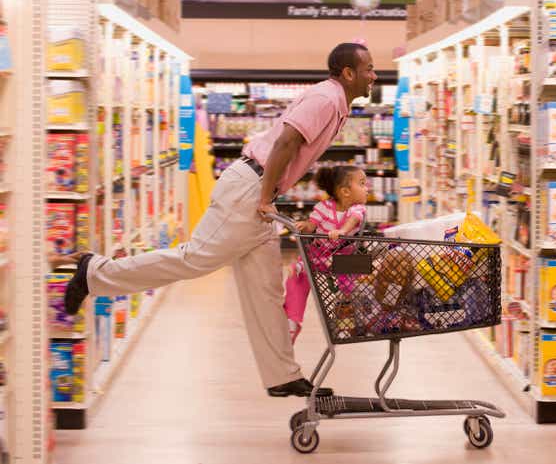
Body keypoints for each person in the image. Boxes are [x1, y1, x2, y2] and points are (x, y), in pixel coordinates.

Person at [63, 43, 377, 398]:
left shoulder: (337, 104)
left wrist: (269, 196)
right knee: (194, 258)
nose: (374, 75)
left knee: (266, 288)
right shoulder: (326, 98)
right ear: (348, 73)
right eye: (368, 68)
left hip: (260, 192)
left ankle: (282, 374)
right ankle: (93, 273)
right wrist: (263, 196)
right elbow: (286, 143)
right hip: (251, 190)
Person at [284, 166, 368, 344]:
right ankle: (292, 321)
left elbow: (354, 220)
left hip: (343, 260)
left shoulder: (357, 208)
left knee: (349, 292)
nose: (367, 188)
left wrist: (342, 230)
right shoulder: (323, 207)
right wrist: (303, 226)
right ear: (345, 191)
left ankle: (346, 324)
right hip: (318, 256)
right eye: (362, 184)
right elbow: (312, 225)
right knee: (297, 276)